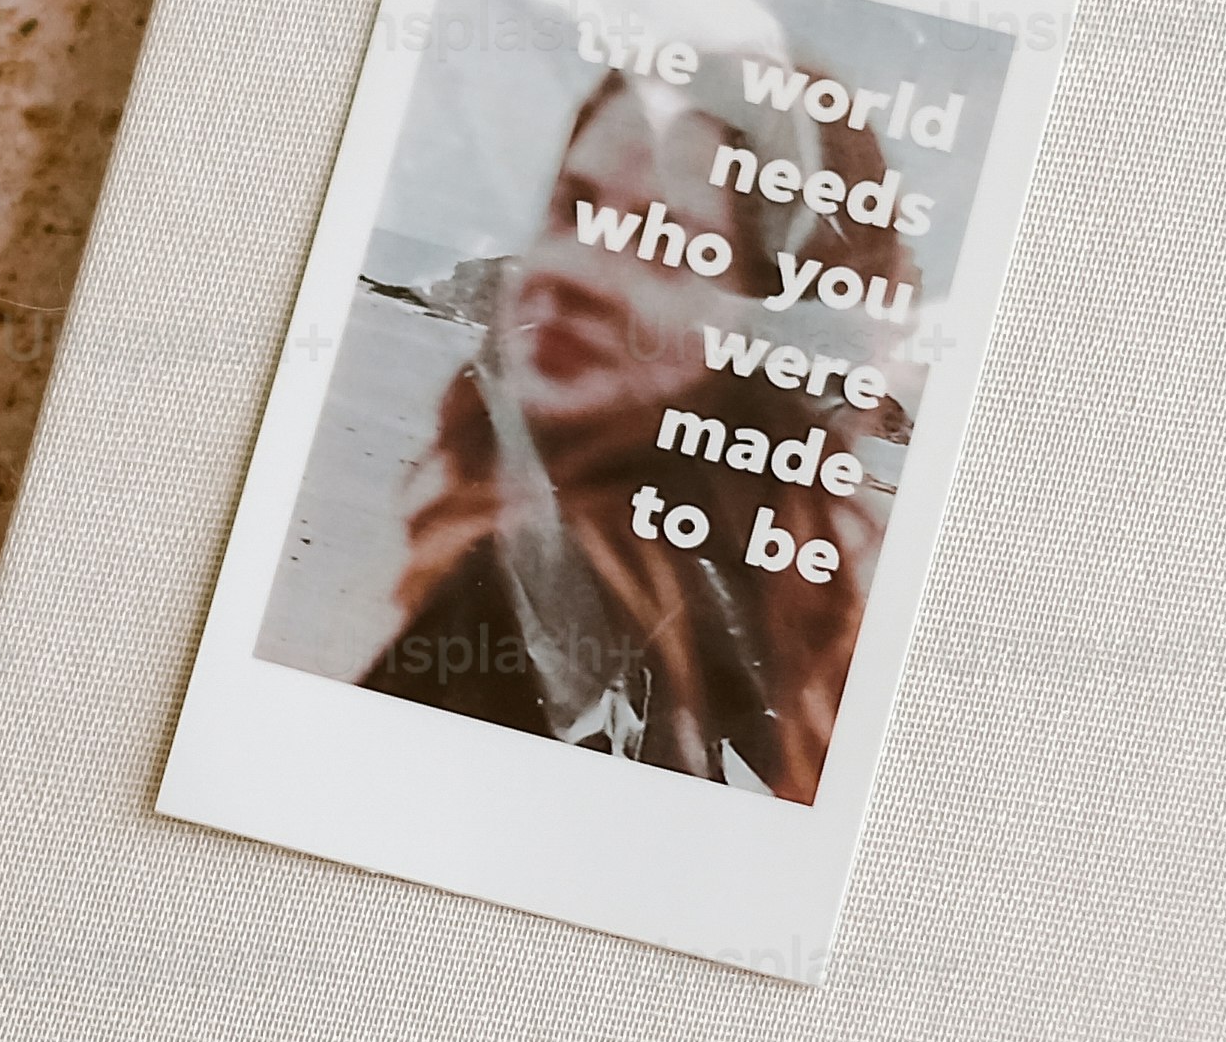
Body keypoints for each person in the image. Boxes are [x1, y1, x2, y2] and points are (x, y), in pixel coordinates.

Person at [341, 58, 919, 803]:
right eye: (574, 208)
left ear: (780, 327)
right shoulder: (673, 601)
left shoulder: (633, 621)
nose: (577, 270)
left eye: (673, 246)